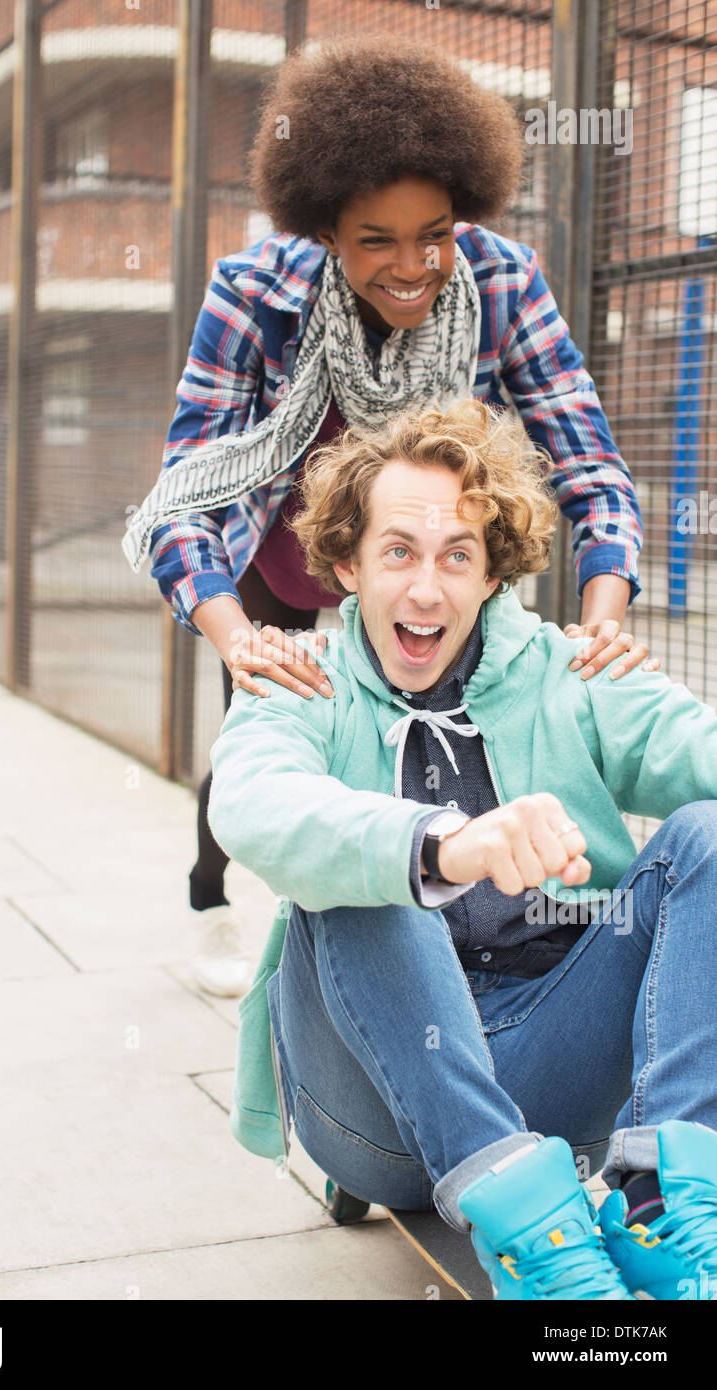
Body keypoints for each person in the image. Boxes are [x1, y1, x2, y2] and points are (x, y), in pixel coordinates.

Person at [123, 33, 659, 997]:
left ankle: (439, 947)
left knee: (425, 732)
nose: (414, 266)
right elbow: (183, 502)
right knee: (269, 725)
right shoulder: (256, 292)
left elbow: (590, 463)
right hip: (287, 554)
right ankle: (213, 893)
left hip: (419, 556)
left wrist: (605, 618)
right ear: (326, 228)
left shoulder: (499, 278)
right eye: (378, 239)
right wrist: (241, 639)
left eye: (436, 232)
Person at [206, 396, 717, 1301]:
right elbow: (252, 804)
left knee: (707, 840)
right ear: (345, 566)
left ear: (493, 575)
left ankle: (662, 1208)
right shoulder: (300, 675)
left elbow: (697, 761)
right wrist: (443, 844)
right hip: (372, 1109)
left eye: (458, 556)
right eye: (397, 551)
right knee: (364, 872)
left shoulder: (568, 670)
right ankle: (546, 1261)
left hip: (552, 1078)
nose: (427, 589)